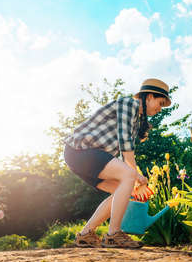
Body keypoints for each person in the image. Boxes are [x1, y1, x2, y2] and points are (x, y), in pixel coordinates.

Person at [64, 78, 171, 248]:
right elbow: (125, 146)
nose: (160, 108)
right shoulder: (129, 104)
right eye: (160, 102)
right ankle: (113, 234)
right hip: (81, 151)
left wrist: (137, 176)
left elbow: (126, 157)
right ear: (149, 96)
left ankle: (85, 235)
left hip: (87, 156)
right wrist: (135, 175)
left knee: (122, 190)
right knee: (128, 176)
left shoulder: (136, 120)